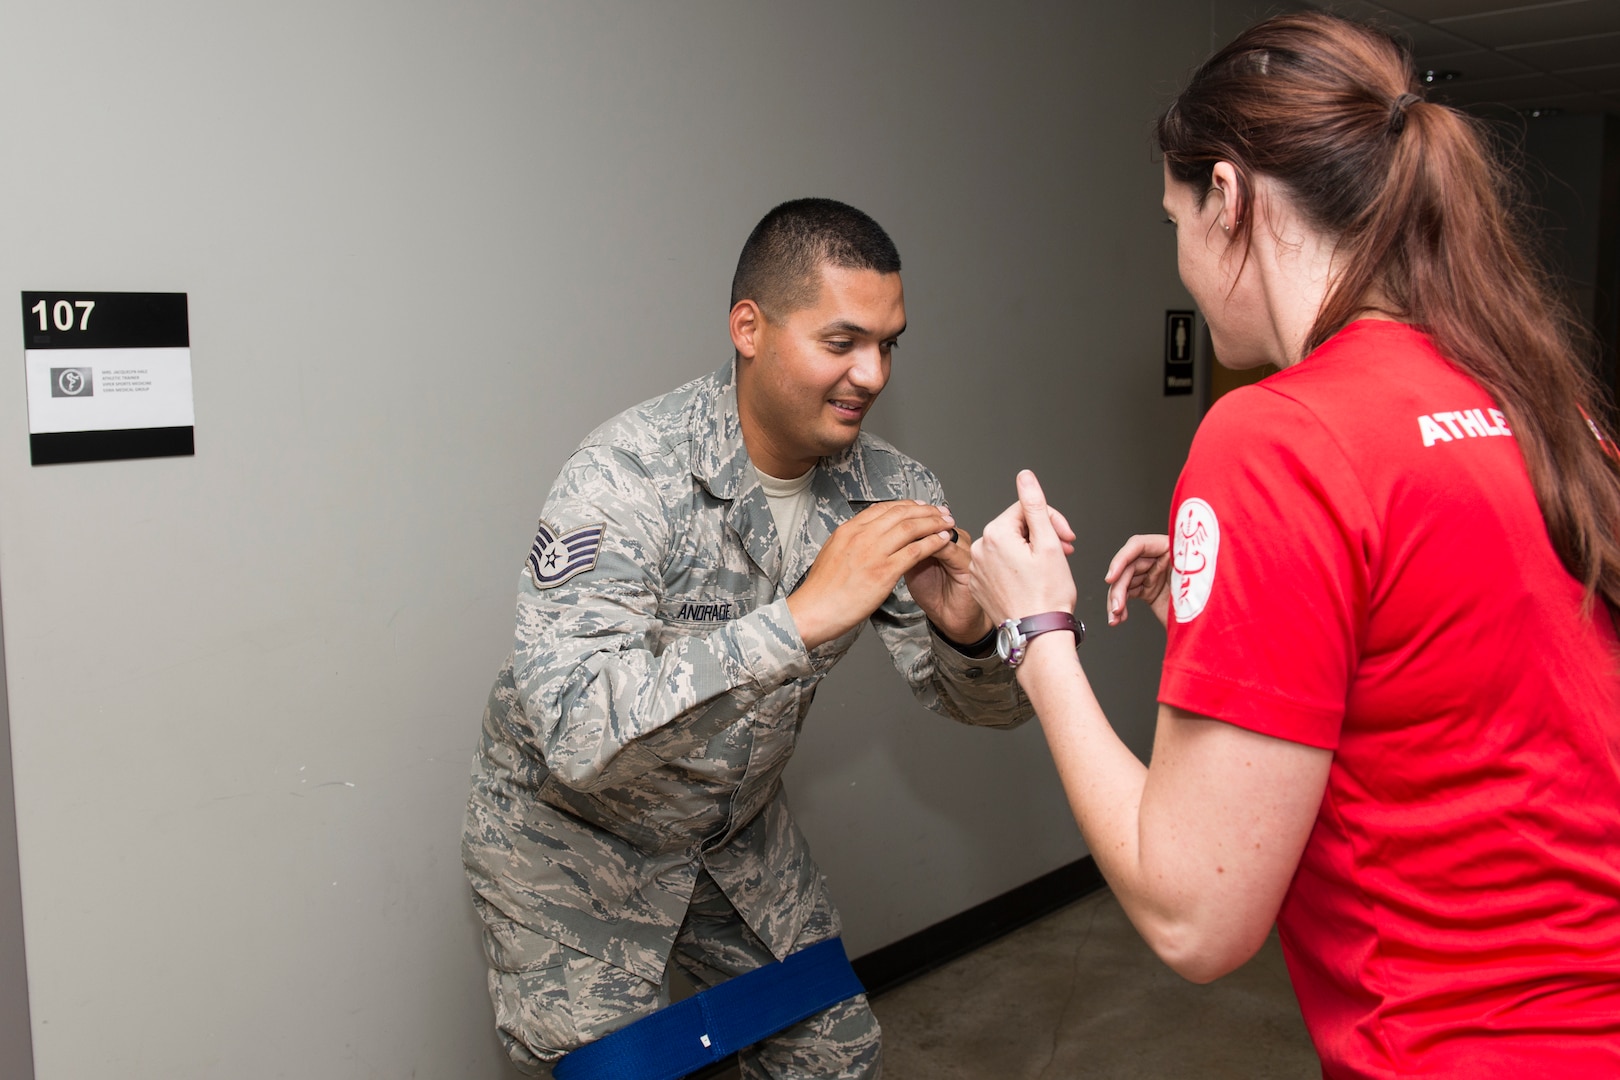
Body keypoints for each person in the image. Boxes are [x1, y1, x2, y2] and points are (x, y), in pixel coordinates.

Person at [968, 13, 1620, 1079]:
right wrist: (1272, 606)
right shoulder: (1538, 403)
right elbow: (1478, 660)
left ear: (1226, 197)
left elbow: (1195, 916)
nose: (1179, 262)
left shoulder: (1275, 434)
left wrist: (1036, 627)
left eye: (1173, 220)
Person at [463, 197, 1032, 1077]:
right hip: (575, 838)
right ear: (749, 328)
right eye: (841, 343)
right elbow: (573, 727)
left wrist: (967, 636)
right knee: (616, 1075)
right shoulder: (625, 475)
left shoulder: (890, 487)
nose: (872, 374)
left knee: (834, 1058)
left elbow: (988, 711)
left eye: (889, 344)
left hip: (733, 832)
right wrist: (800, 619)